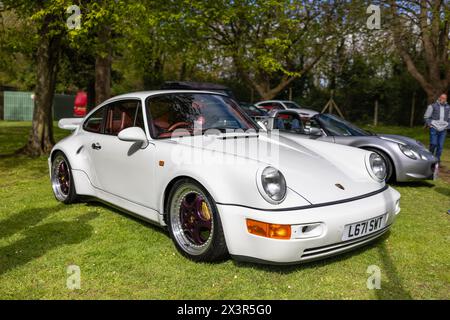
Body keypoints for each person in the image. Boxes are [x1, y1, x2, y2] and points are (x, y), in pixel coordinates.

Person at [424, 93, 449, 163]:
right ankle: (430, 157)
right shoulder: (432, 106)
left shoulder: (448, 107)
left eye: (445, 98)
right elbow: (426, 117)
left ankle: (437, 159)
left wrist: (448, 126)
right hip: (434, 128)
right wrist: (430, 125)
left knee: (440, 146)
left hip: (443, 129)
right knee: (433, 143)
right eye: (442, 98)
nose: (443, 99)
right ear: (439, 98)